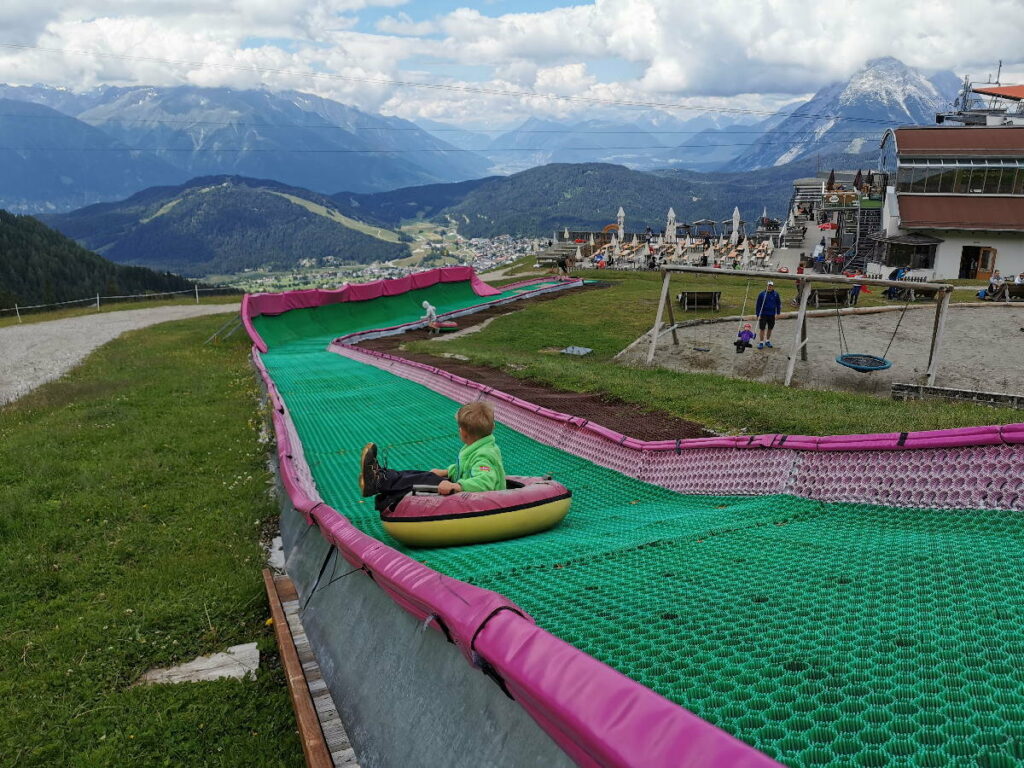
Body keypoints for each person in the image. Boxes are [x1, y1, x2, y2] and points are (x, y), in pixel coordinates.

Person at [359, 401, 506, 514]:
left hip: (476, 502)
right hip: (465, 492)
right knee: (424, 476)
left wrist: (457, 486)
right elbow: (466, 468)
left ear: (463, 432)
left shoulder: (484, 455)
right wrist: (447, 472)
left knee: (428, 481)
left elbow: (485, 482)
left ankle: (380, 481)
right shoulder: (478, 446)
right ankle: (380, 479)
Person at [755, 280, 782, 350]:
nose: (769, 287)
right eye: (768, 286)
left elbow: (778, 304)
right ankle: (761, 342)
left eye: (771, 286)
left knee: (770, 328)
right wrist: (758, 314)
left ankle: (767, 341)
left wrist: (778, 313)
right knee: (762, 328)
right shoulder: (762, 294)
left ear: (773, 287)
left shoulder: (776, 294)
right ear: (766, 286)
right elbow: (758, 305)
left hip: (772, 314)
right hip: (763, 314)